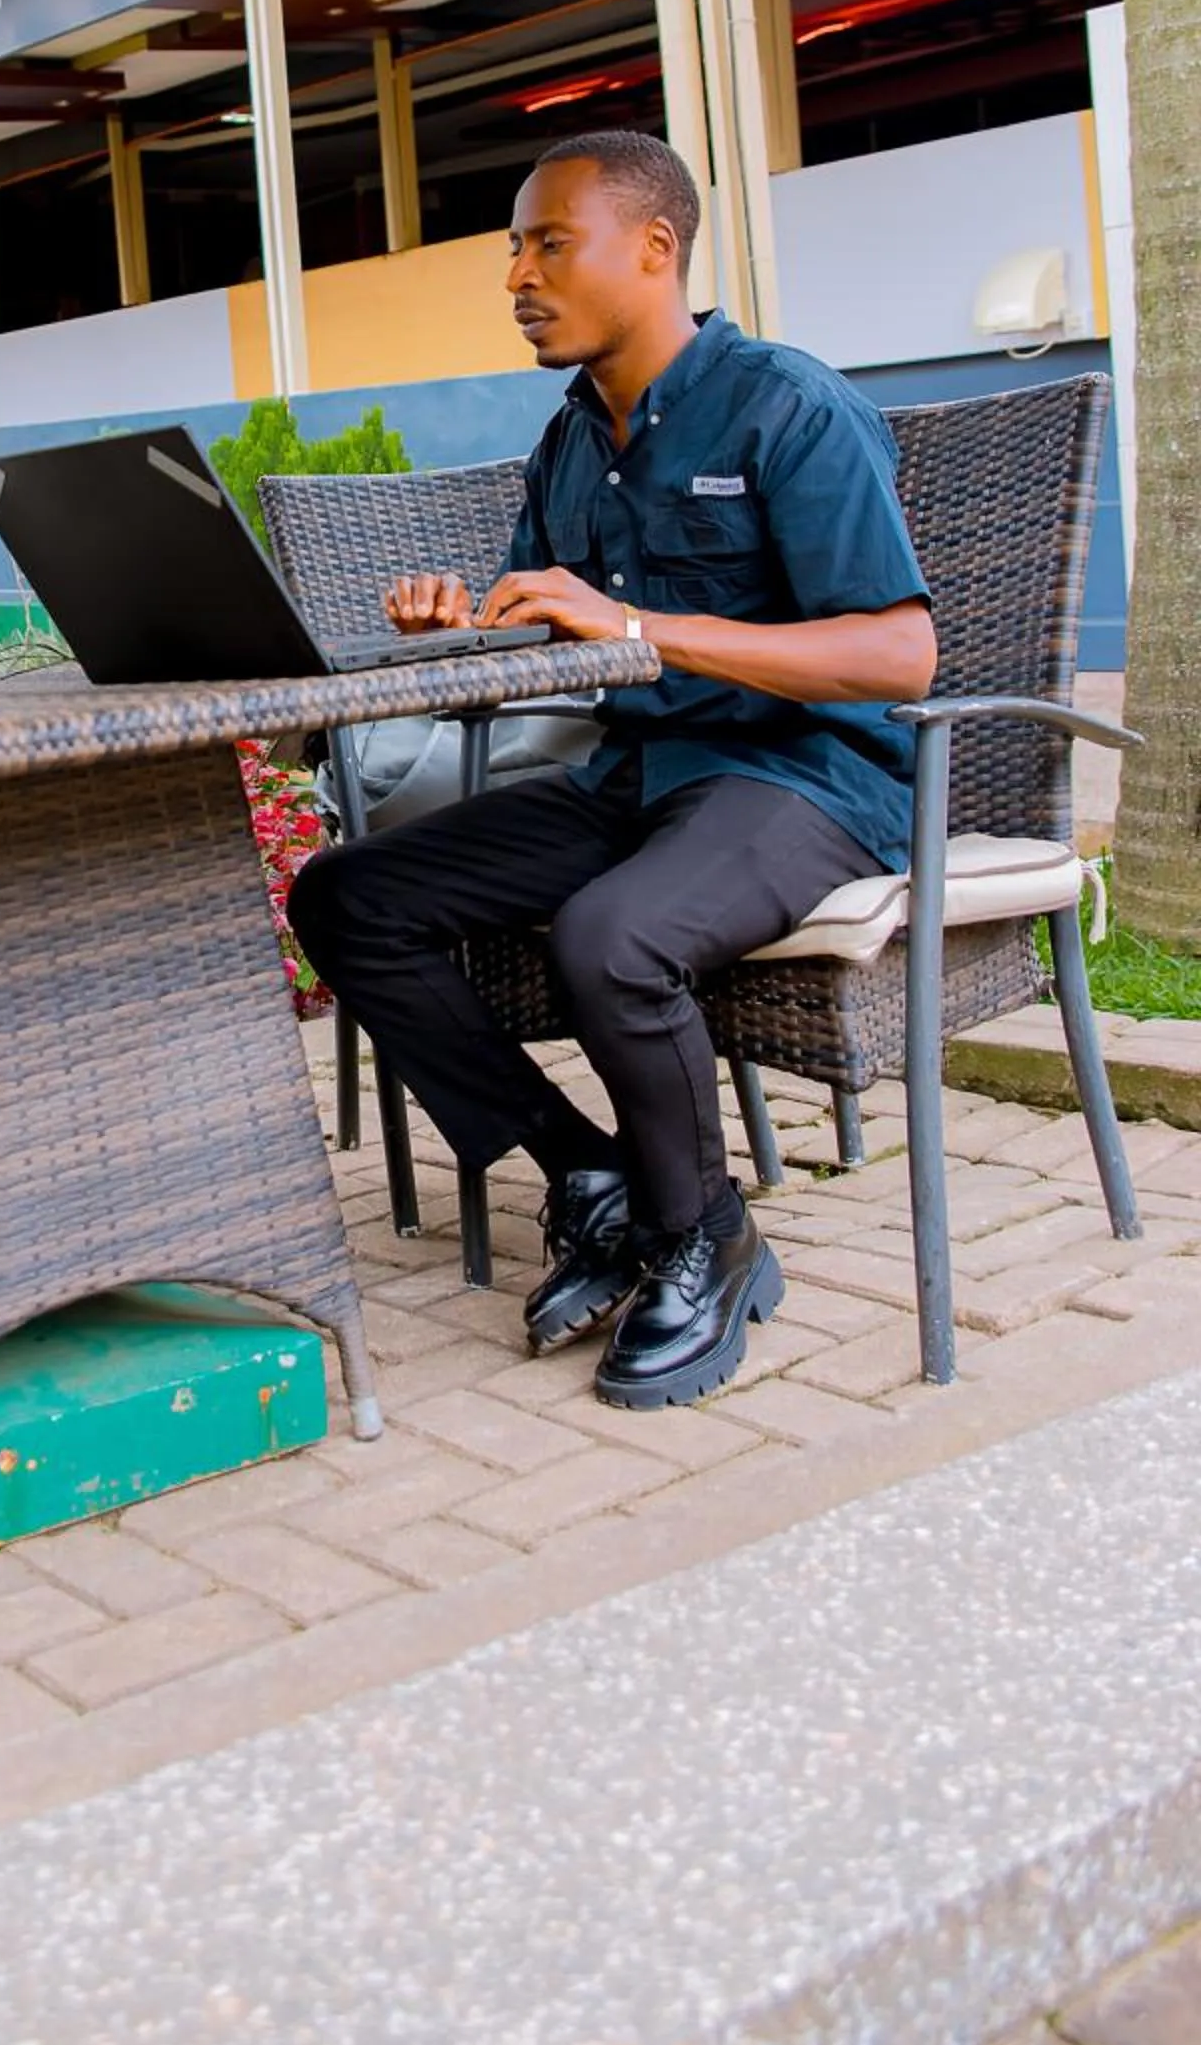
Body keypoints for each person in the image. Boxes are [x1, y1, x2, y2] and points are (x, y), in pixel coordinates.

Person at [287, 132, 936, 1411]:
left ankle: (706, 1233)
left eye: (547, 243)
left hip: (810, 779)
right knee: (344, 895)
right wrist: (469, 621)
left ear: (653, 249)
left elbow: (898, 653)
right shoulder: (572, 438)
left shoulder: (786, 405)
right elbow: (559, 622)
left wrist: (641, 631)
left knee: (610, 937)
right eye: (512, 251)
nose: (518, 276)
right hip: (641, 776)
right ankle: (587, 1174)